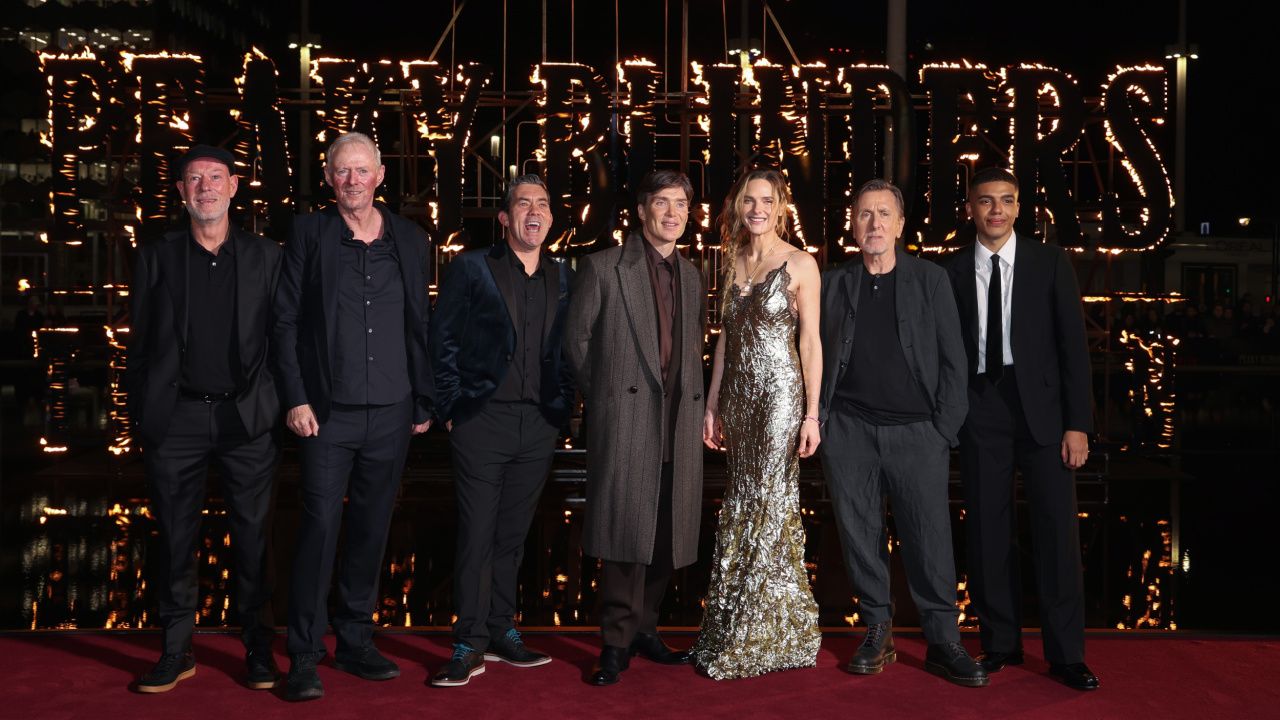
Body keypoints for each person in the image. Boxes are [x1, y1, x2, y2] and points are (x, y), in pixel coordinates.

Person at [273, 131, 434, 701]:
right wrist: (294, 397)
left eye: (362, 171)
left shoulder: (411, 240)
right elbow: (285, 322)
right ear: (328, 177)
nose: (353, 181)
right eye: (343, 172)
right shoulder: (310, 235)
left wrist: (422, 400)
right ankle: (304, 654)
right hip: (326, 413)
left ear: (381, 174)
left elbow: (420, 325)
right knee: (318, 528)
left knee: (372, 527)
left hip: (392, 412)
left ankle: (356, 640)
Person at [818, 178, 987, 687]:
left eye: (883, 214)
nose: (874, 224)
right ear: (853, 224)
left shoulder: (929, 280)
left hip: (918, 433)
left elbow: (956, 362)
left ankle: (943, 641)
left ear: (899, 225)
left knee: (929, 537)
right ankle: (877, 630)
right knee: (860, 537)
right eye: (864, 214)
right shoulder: (832, 283)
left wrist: (942, 430)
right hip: (848, 431)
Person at [126, 144, 282, 693]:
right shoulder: (157, 256)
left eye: (216, 177)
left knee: (253, 539)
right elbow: (139, 346)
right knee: (174, 537)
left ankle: (258, 651)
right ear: (181, 192)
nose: (206, 188)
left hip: (247, 417)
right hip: (178, 419)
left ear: (234, 187)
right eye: (194, 179)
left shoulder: (267, 256)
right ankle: (176, 650)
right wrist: (141, 415)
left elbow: (283, 340)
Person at [942, 167, 1098, 690]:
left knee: (1057, 532)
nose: (996, 211)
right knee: (987, 533)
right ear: (970, 208)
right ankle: (1000, 644)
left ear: (1018, 207)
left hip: (1046, 416)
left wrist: (1078, 424)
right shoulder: (952, 270)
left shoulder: (1049, 262)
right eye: (986, 202)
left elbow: (1074, 349)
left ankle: (1066, 655)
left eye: (1006, 201)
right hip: (980, 409)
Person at [427, 174, 574, 687]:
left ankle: (501, 629)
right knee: (477, 535)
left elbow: (568, 350)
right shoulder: (473, 267)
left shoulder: (564, 274)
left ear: (551, 218)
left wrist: (565, 406)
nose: (534, 212)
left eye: (543, 204)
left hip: (538, 424)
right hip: (481, 421)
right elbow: (441, 339)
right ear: (506, 218)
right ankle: (468, 641)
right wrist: (451, 408)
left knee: (512, 536)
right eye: (523, 204)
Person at [563, 170, 706, 686]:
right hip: (625, 419)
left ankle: (647, 627)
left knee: (668, 531)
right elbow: (576, 343)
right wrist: (606, 399)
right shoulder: (604, 267)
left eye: (682, 205)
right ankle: (615, 643)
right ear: (643, 211)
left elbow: (691, 350)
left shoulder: (692, 275)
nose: (673, 213)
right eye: (663, 203)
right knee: (626, 533)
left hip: (679, 422)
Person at [692, 168, 823, 679]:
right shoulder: (734, 260)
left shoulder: (800, 263)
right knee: (741, 501)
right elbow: (725, 338)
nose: (757, 209)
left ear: (781, 205)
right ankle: (740, 624)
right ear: (738, 207)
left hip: (780, 399)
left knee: (769, 501)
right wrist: (712, 403)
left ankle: (761, 633)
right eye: (749, 200)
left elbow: (811, 342)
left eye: (766, 200)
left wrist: (812, 413)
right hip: (739, 401)